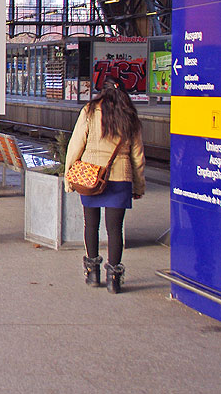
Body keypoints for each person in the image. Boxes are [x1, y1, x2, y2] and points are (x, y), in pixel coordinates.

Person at [65, 77, 145, 294]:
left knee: (90, 224)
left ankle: (92, 274)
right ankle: (114, 280)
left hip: (91, 176)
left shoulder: (90, 111)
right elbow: (138, 156)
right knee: (115, 229)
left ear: (102, 91)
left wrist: (68, 176)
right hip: (120, 176)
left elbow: (76, 144)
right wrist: (138, 186)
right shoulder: (130, 115)